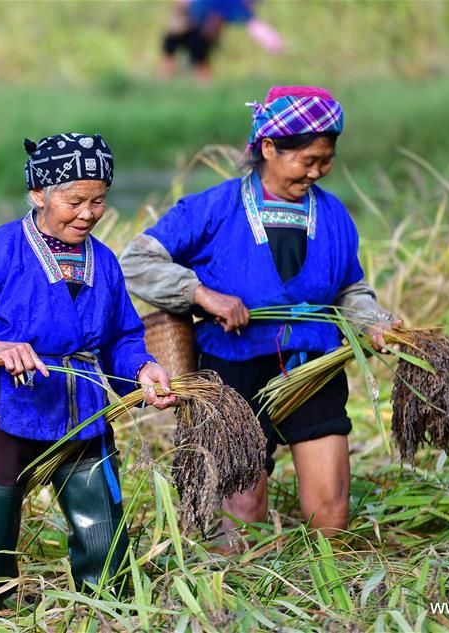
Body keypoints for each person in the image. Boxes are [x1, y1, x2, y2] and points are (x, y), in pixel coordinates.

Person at [120, 87, 401, 545]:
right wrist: (203, 295)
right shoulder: (213, 207)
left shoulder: (332, 215)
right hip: (233, 366)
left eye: (325, 160)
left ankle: (331, 599)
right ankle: (241, 595)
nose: (315, 172)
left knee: (330, 506)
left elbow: (350, 288)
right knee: (244, 508)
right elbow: (135, 262)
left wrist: (373, 319)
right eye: (306, 160)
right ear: (268, 148)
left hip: (312, 365)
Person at [0, 132, 176, 613]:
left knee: (104, 539)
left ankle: (108, 614)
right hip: (5, 414)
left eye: (98, 200)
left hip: (82, 416)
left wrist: (142, 368)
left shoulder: (105, 262)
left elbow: (121, 337)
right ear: (39, 194)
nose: (88, 213)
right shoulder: (1, 251)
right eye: (75, 200)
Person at [160, 0, 283, 83]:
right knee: (171, 41)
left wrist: (273, 43)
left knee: (198, 55)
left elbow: (254, 25)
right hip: (190, 26)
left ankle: (203, 84)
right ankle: (166, 78)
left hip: (203, 35)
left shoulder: (233, 4)